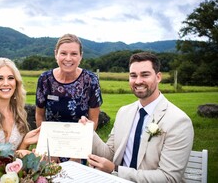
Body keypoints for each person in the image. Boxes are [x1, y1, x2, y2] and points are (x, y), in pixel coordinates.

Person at [81, 52, 194, 182]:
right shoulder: (124, 112)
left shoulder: (178, 121)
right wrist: (89, 131)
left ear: (158, 77)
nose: (138, 81)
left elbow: (169, 178)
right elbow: (110, 154)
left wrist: (115, 170)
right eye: (133, 76)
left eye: (145, 75)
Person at [35, 34, 103, 163]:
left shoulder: (90, 80)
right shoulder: (45, 79)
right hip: (51, 147)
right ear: (56, 54)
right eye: (63, 53)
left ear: (80, 56)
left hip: (79, 147)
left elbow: (94, 120)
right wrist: (50, 151)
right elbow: (39, 116)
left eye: (74, 54)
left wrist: (76, 155)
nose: (68, 58)